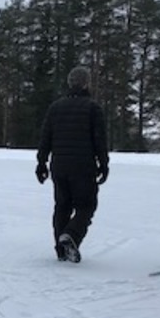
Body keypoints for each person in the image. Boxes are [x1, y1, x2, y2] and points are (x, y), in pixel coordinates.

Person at [35, 66, 109, 263]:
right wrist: (104, 163)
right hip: (83, 167)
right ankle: (71, 236)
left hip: (59, 166)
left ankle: (61, 249)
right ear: (86, 83)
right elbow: (99, 139)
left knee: (62, 206)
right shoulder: (93, 108)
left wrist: (42, 163)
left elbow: (45, 138)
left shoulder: (55, 108)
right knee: (86, 205)